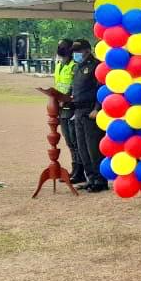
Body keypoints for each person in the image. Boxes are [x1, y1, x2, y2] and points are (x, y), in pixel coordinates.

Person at [69, 39, 107, 192]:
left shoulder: (96, 66)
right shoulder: (78, 67)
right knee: (82, 148)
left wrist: (97, 108)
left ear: (87, 50)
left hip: (90, 111)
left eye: (78, 50)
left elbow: (101, 88)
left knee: (93, 148)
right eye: (74, 51)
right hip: (78, 111)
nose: (75, 53)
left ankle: (100, 180)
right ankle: (90, 177)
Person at [53, 39, 84, 185]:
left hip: (71, 107)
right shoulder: (59, 65)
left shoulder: (74, 66)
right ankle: (75, 168)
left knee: (75, 141)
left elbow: (74, 86)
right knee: (69, 142)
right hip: (60, 108)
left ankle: (79, 171)